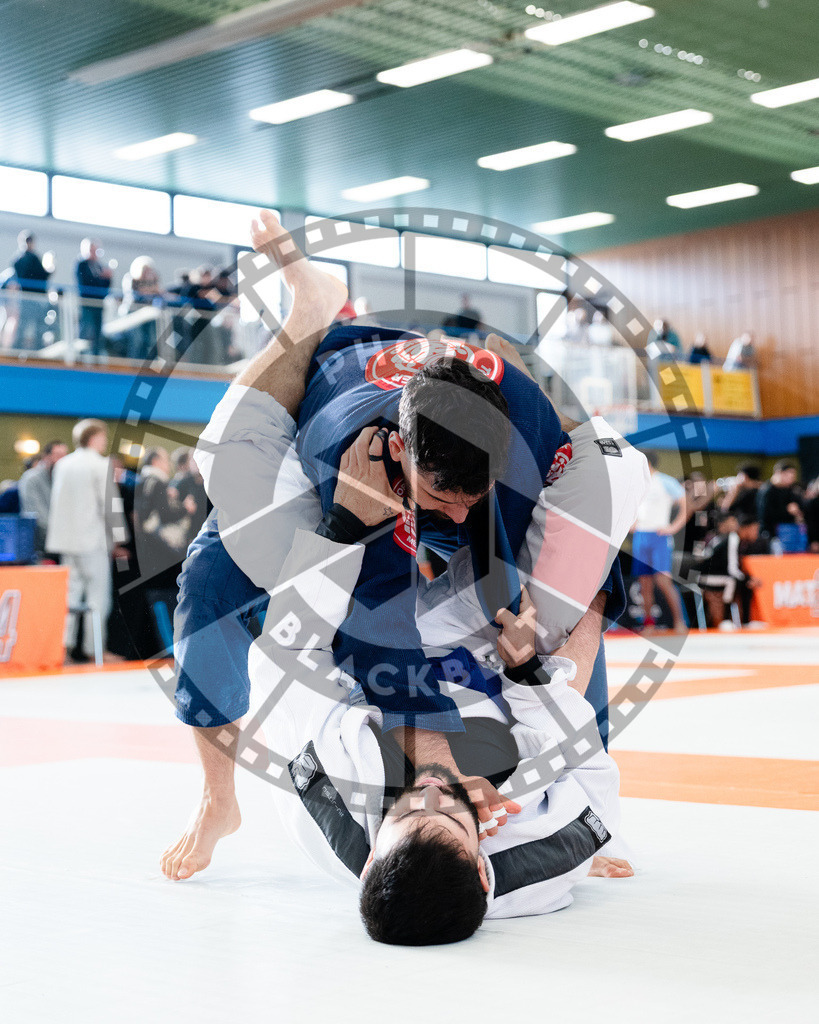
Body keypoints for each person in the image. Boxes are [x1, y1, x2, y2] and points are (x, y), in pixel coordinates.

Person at [164, 210, 647, 877]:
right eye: (439, 497)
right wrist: (438, 771)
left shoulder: (525, 429)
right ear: (394, 452)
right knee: (211, 580)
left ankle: (588, 785)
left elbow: (557, 554)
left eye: (467, 499)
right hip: (334, 395)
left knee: (550, 613)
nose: (455, 509)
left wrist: (537, 639)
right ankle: (217, 798)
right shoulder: (352, 457)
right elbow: (377, 633)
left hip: (464, 402)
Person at [162, 526, 631, 943]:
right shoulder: (542, 859)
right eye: (449, 814)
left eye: (407, 811)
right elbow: (585, 761)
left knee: (206, 584)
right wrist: (532, 666)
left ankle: (217, 798)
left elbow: (288, 655)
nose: (430, 791)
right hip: (490, 666)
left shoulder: (327, 797)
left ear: (368, 864)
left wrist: (348, 524)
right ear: (483, 874)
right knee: (595, 523)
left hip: (376, 655)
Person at [45, 419, 126, 663]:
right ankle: (95, 650)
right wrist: (119, 538)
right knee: (98, 598)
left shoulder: (64, 464)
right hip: (92, 541)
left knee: (69, 597)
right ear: (95, 438)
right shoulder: (100, 465)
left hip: (66, 541)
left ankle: (63, 649)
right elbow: (110, 505)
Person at [631, 451, 687, 632]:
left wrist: (673, 527)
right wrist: (631, 525)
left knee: (663, 581)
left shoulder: (666, 481)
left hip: (659, 536)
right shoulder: (637, 483)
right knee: (644, 583)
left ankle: (679, 621)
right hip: (641, 535)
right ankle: (648, 624)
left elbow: (686, 506)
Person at [693, 513, 764, 627]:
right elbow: (732, 569)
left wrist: (748, 580)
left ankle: (747, 621)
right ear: (746, 528)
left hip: (720, 575)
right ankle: (725, 620)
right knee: (733, 581)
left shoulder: (739, 541)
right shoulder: (733, 539)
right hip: (705, 576)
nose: (756, 533)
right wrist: (748, 578)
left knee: (745, 584)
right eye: (755, 529)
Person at [18, 439, 68, 557]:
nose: (62, 460)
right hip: (38, 547)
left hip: (61, 544)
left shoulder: (64, 480)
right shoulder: (31, 479)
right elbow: (37, 516)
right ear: (46, 457)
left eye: (65, 456)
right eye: (58, 455)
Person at [11, 231, 50, 350]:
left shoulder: (18, 259)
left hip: (26, 297)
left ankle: (20, 349)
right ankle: (32, 350)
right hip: (31, 297)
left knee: (27, 325)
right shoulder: (30, 259)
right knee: (32, 325)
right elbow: (42, 276)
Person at [75, 238, 112, 357]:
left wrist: (107, 278)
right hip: (87, 303)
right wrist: (101, 276)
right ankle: (80, 357)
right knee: (85, 330)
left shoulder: (98, 266)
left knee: (97, 332)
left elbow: (104, 288)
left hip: (98, 303)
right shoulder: (81, 265)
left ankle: (96, 357)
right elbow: (85, 282)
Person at [757, 461, 806, 552]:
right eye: (788, 475)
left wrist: (798, 513)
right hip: (773, 535)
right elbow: (765, 515)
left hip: (791, 533)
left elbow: (801, 508)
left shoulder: (792, 490)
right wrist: (787, 511)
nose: (791, 479)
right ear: (779, 473)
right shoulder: (767, 491)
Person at [120, 257, 162, 361]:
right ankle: (134, 364)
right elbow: (135, 295)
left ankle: (147, 364)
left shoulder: (152, 280)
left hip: (148, 314)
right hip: (134, 313)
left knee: (150, 340)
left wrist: (152, 285)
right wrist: (150, 289)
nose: (147, 272)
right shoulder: (131, 278)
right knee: (137, 340)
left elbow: (159, 292)